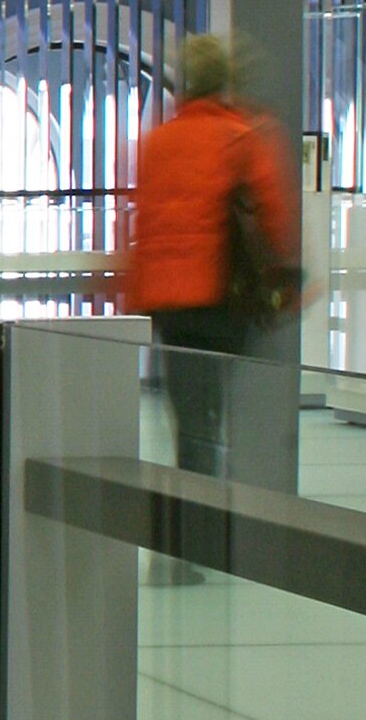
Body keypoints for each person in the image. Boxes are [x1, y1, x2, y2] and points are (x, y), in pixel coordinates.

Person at [119, 31, 301, 478]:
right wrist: (288, 283)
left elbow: (139, 224)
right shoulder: (244, 137)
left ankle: (189, 501)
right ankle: (214, 508)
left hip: (167, 303)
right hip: (221, 296)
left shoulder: (157, 141)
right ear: (224, 81)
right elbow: (275, 217)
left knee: (188, 410)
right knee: (220, 409)